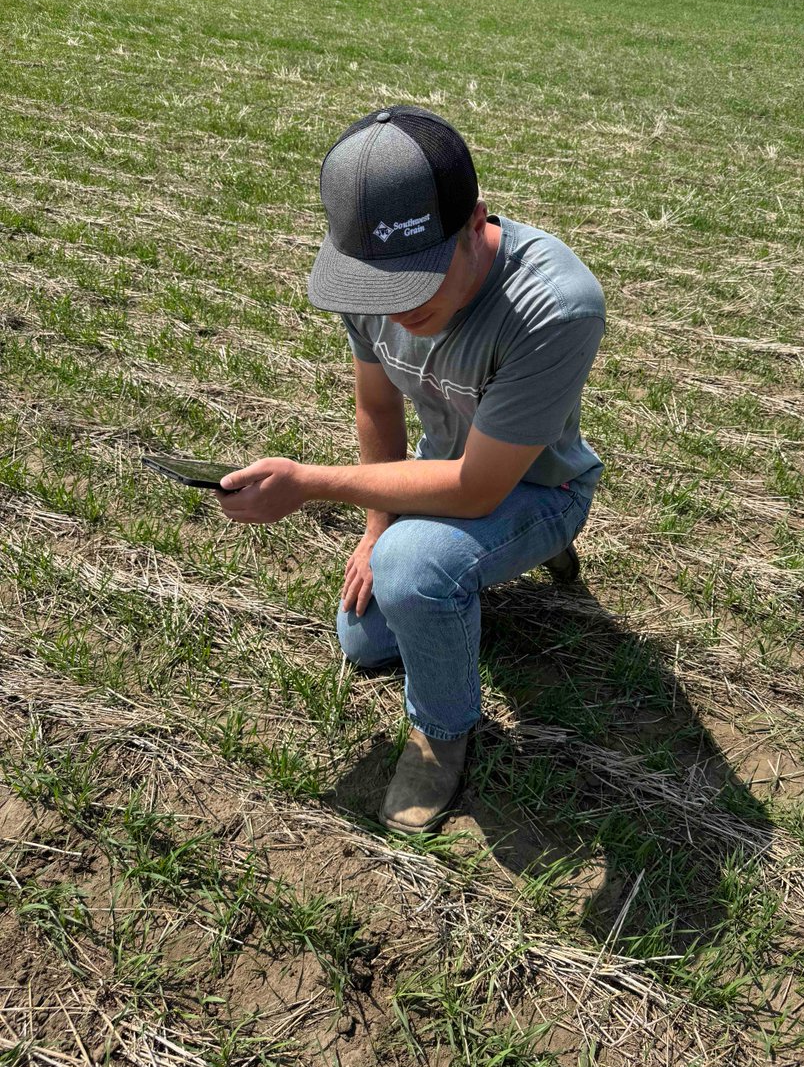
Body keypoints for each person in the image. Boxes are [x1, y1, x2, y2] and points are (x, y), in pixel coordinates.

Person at [213, 105, 605, 835]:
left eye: (416, 282)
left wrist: (311, 486)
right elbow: (377, 411)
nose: (397, 310)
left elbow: (478, 488)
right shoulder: (371, 280)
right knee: (364, 639)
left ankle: (443, 730)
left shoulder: (553, 305)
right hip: (445, 473)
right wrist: (373, 528)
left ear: (474, 224)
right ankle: (457, 579)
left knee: (414, 570)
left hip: (533, 485)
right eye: (378, 289)